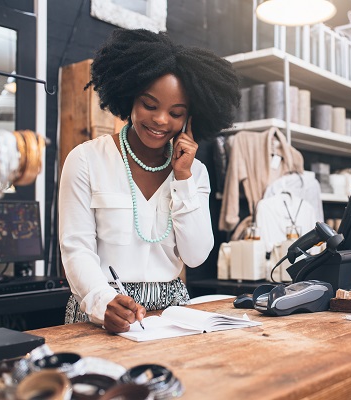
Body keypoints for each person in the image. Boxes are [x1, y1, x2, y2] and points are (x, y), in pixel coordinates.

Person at [58, 28, 240, 333]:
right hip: (101, 308)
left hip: (173, 314)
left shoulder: (195, 173)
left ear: (190, 119)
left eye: (176, 112)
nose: (160, 120)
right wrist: (103, 301)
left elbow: (196, 256)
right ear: (129, 97)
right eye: (150, 105)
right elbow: (76, 249)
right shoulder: (85, 160)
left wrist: (182, 177)